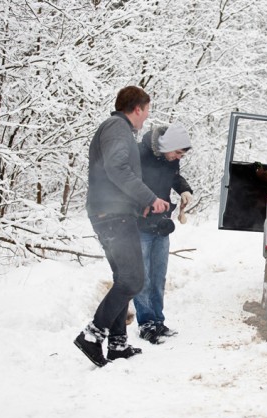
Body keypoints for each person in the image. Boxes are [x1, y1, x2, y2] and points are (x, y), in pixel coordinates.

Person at [74, 86, 170, 367]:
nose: (147, 117)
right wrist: (148, 197)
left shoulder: (116, 129)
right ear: (137, 108)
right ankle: (92, 336)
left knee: (124, 279)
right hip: (112, 216)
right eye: (147, 110)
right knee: (133, 280)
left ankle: (117, 344)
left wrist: (139, 204)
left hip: (113, 212)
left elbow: (111, 174)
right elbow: (117, 169)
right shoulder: (117, 128)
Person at [134, 123, 193, 344]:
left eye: (182, 154)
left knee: (158, 276)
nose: (179, 157)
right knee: (143, 276)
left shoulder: (172, 160)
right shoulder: (139, 155)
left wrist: (184, 189)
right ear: (167, 145)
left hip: (162, 224)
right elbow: (127, 185)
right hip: (140, 224)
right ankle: (146, 323)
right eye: (177, 152)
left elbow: (174, 177)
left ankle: (158, 320)